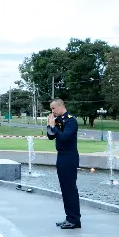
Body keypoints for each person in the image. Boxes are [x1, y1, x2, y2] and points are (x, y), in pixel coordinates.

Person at [46, 98, 81, 229]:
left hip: (69, 156)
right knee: (65, 189)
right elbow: (51, 136)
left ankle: (75, 220)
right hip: (61, 156)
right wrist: (50, 125)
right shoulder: (59, 120)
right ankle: (69, 218)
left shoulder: (71, 120)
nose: (52, 111)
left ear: (60, 106)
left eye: (53, 108)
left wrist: (54, 127)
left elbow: (64, 137)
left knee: (70, 188)